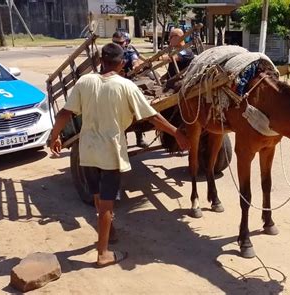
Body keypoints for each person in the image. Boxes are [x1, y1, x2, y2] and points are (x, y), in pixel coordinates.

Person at [49, 43, 189, 268]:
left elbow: (65, 113)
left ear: (100, 62)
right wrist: (176, 133)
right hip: (110, 153)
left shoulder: (84, 82)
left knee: (97, 195)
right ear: (122, 63)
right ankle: (103, 253)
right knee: (107, 205)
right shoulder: (126, 86)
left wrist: (54, 137)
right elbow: (151, 116)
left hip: (87, 151)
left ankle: (109, 231)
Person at [112, 31, 148, 148]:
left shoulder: (129, 52)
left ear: (126, 42)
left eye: (120, 43)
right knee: (118, 114)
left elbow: (135, 60)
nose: (117, 45)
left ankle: (139, 137)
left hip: (129, 84)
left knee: (136, 110)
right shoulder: (109, 52)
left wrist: (136, 65)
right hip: (112, 85)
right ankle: (123, 139)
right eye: (115, 42)